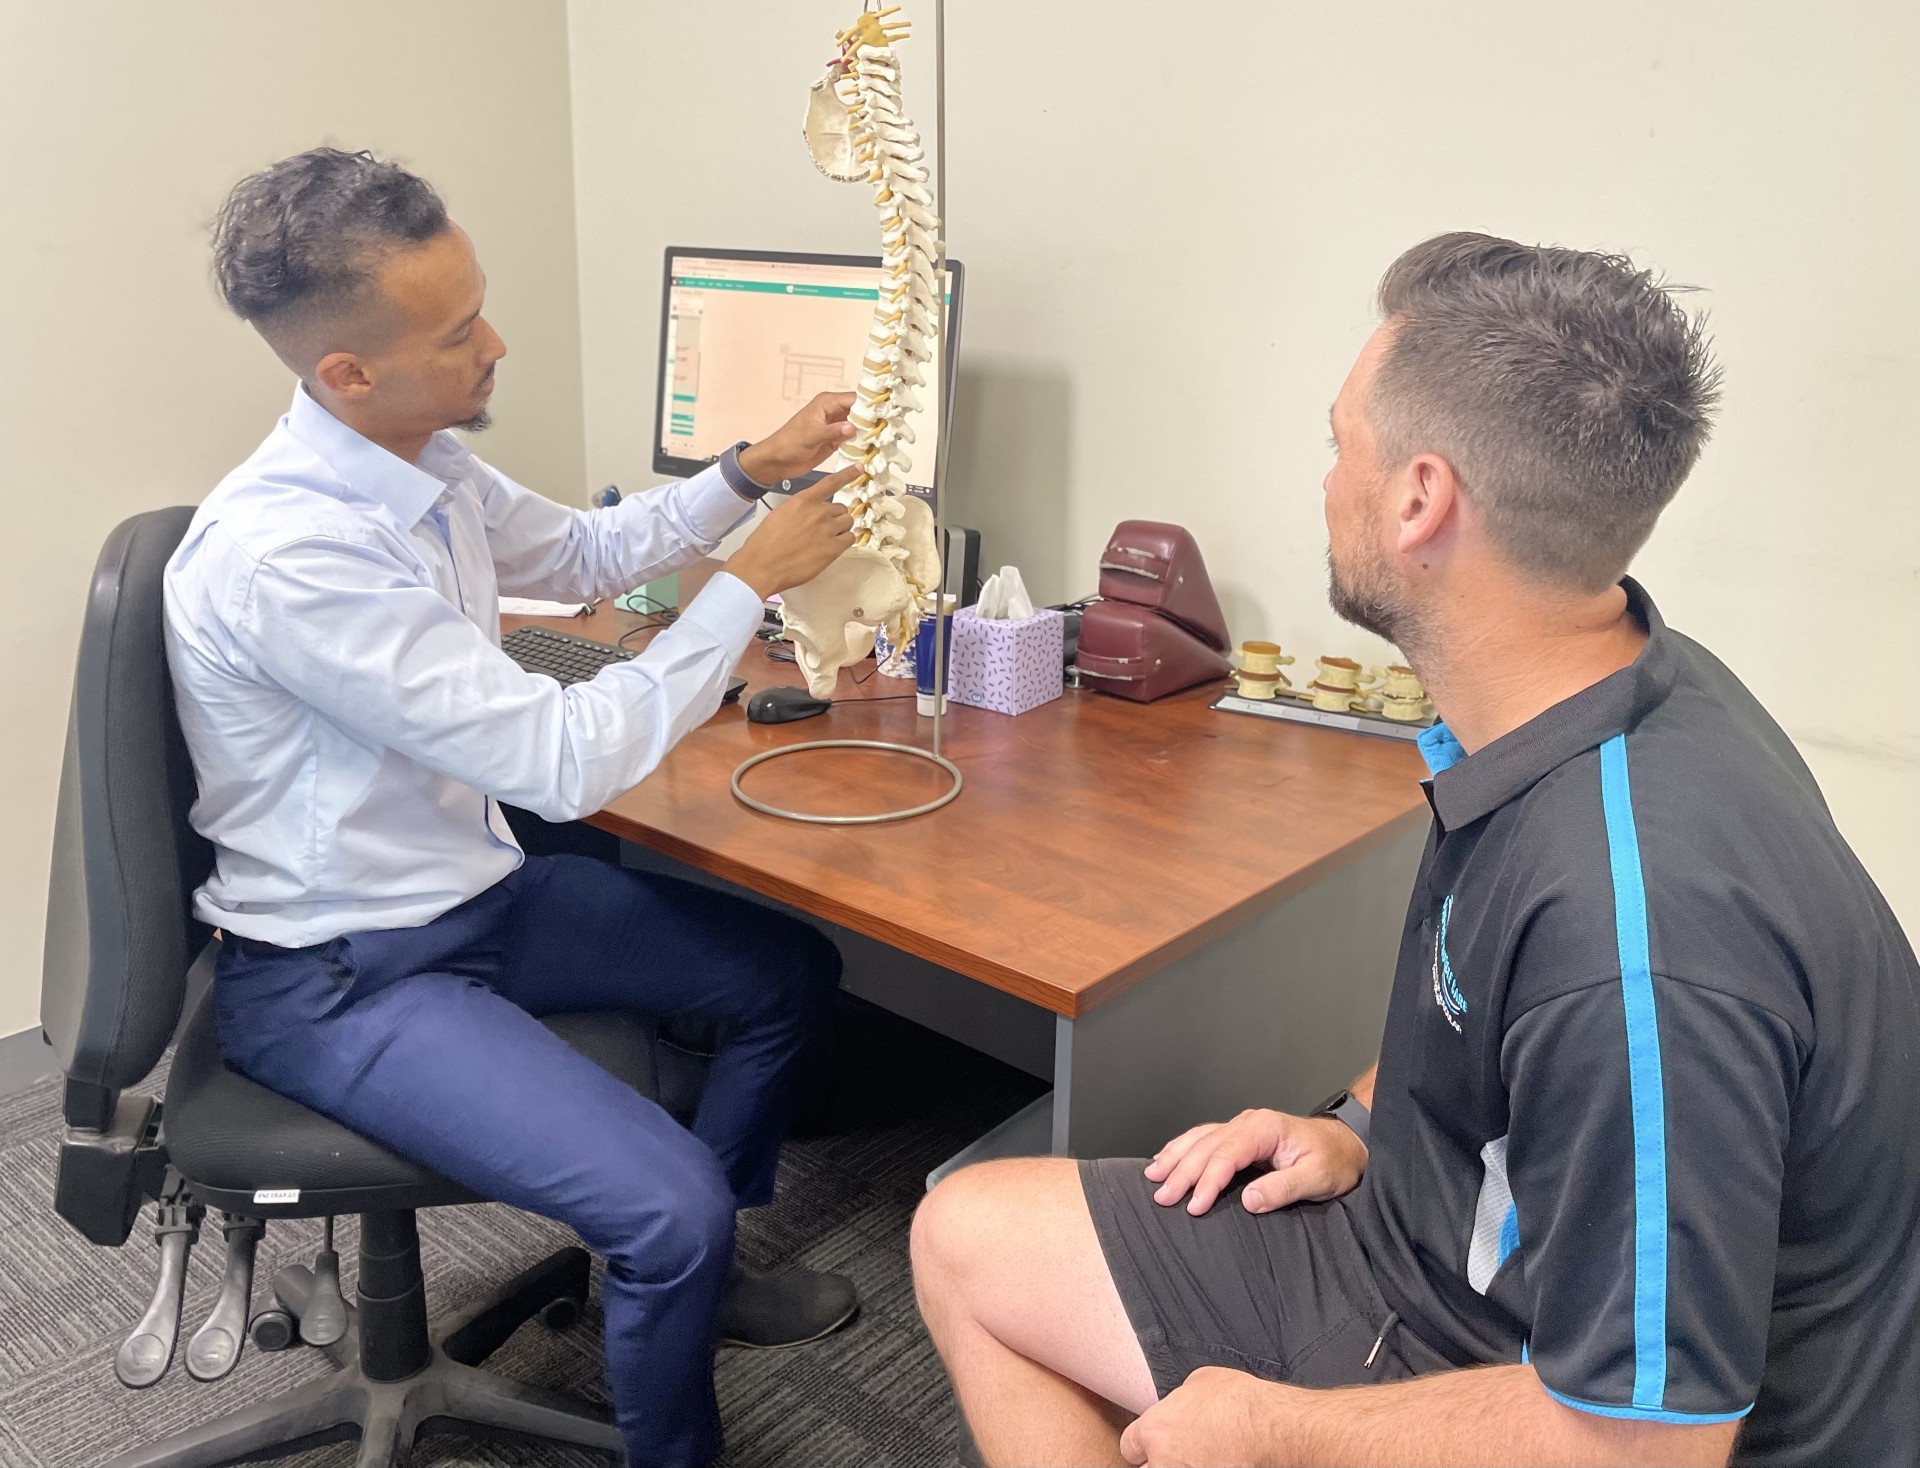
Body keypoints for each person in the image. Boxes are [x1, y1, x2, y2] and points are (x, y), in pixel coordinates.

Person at [911, 233, 1920, 1468]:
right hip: (1438, 1248)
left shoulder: (1640, 935)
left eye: (1342, 442)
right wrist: (1363, 1121)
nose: (1328, 475)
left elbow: (1646, 1448)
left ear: (1419, 498)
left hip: (1564, 1391)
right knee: (962, 1234)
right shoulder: (1603, 686)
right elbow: (1489, 1016)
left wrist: (1277, 1432)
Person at [166, 147, 863, 1468]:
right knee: (667, 1211)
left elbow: (586, 553)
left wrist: (745, 472)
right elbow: (559, 764)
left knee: (785, 976)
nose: (497, 346)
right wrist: (745, 587)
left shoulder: (411, 457)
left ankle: (685, 1295)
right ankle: (676, 1338)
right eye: (457, 331)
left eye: (481, 304)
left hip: (464, 894)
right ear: (345, 374)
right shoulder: (290, 554)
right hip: (338, 977)